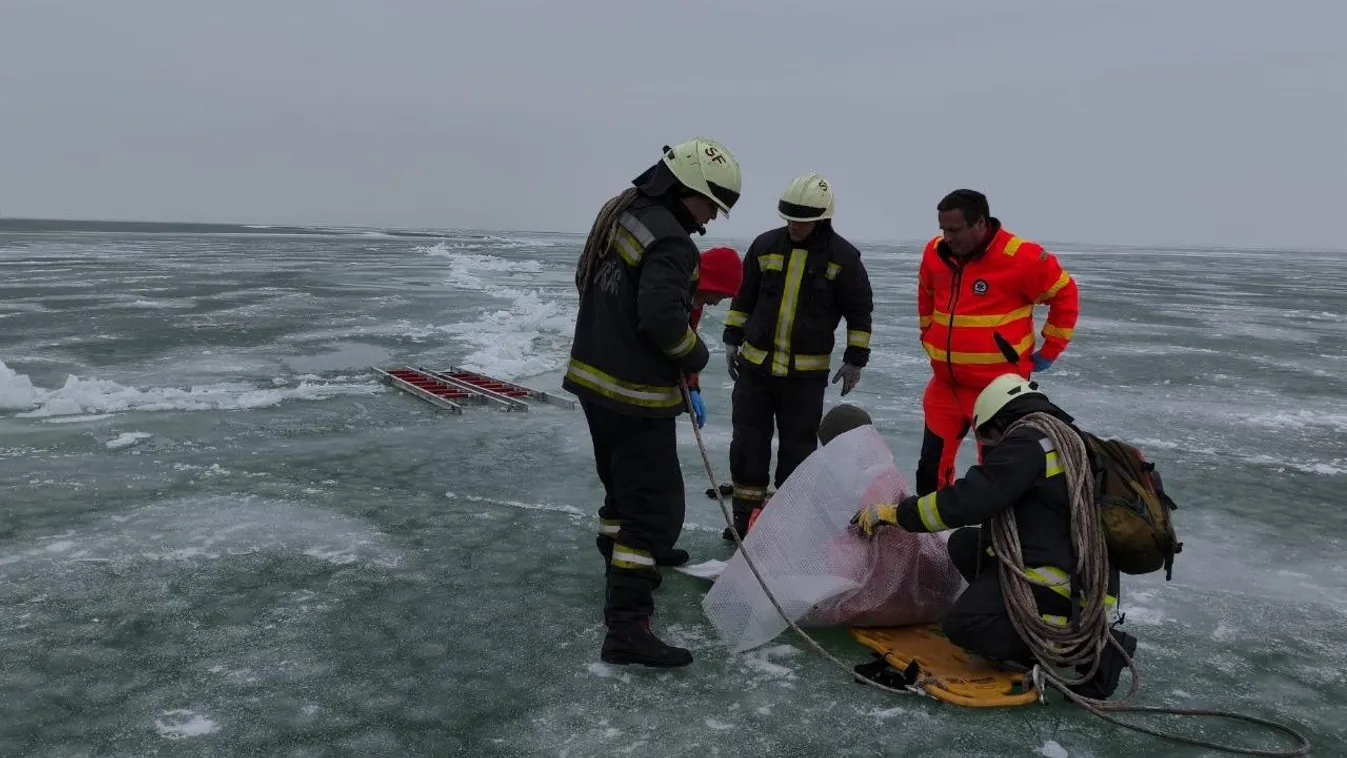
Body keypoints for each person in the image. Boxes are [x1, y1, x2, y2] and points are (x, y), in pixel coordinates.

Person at [563, 137, 742, 667]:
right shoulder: (670, 240)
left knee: (622, 494)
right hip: (634, 394)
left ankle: (622, 566)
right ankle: (627, 625)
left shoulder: (623, 216)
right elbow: (664, 320)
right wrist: (696, 357)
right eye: (710, 204)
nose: (710, 219)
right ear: (685, 188)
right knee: (653, 509)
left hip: (596, 381)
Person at [851, 374, 1136, 699]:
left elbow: (969, 500)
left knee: (964, 624)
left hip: (1063, 582)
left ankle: (1087, 652)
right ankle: (1023, 617)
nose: (991, 445)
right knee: (964, 544)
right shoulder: (1066, 438)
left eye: (989, 435)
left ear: (1001, 419)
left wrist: (896, 514)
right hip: (1082, 575)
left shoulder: (1028, 444)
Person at [721, 173, 874, 539]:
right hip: (755, 370)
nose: (794, 226)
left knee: (797, 452)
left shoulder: (844, 258)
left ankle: (784, 526)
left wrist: (855, 359)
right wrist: (731, 338)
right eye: (789, 218)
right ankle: (745, 520)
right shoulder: (764, 246)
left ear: (822, 218)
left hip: (804, 379)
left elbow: (859, 311)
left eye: (802, 220)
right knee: (747, 445)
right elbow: (744, 298)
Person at [915, 189, 1080, 498]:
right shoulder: (934, 253)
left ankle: (996, 543)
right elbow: (926, 292)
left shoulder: (1022, 257)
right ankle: (930, 541)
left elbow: (1065, 294)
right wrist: (928, 335)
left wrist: (1050, 350)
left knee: (997, 477)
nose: (946, 237)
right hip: (945, 387)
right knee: (929, 469)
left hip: (999, 392)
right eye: (942, 229)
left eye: (954, 230)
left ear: (980, 223)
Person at [684, 246, 743, 430]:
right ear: (708, 282)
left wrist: (692, 387)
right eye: (718, 295)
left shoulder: (695, 301)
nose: (715, 303)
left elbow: (688, 342)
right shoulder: (674, 293)